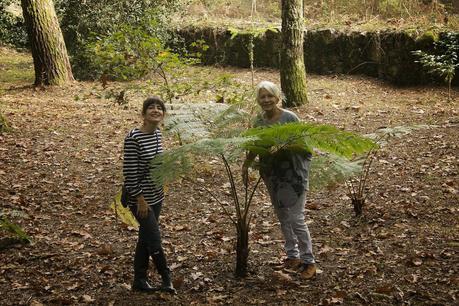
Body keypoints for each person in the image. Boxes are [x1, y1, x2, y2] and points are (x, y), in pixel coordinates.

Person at [242, 81, 317, 279]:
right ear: (258, 100)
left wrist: (284, 146)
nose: (266, 100)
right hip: (272, 174)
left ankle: (309, 261)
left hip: (293, 175)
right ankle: (293, 256)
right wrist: (246, 164)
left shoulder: (290, 117)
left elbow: (304, 146)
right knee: (283, 216)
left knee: (296, 217)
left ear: (277, 98)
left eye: (270, 96)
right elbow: (255, 144)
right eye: (262, 97)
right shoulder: (258, 121)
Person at [123, 96, 176, 293]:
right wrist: (140, 200)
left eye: (159, 108)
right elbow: (129, 174)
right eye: (151, 108)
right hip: (140, 199)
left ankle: (139, 279)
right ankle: (166, 278)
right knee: (154, 238)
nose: (156, 110)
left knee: (145, 237)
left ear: (163, 114)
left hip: (157, 195)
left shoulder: (157, 134)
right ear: (143, 114)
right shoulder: (133, 138)